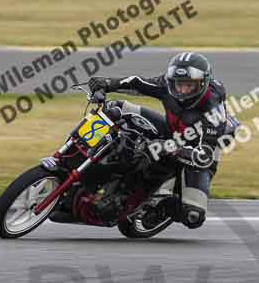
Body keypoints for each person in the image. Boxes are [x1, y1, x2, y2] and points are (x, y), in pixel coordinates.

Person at [84, 51, 235, 229]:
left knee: (194, 216)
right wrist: (107, 84)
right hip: (171, 131)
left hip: (198, 152)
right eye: (178, 84)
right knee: (116, 108)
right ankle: (81, 148)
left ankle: (162, 207)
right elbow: (138, 84)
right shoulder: (166, 85)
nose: (182, 91)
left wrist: (171, 149)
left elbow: (204, 157)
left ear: (202, 84)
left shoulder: (213, 109)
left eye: (188, 86)